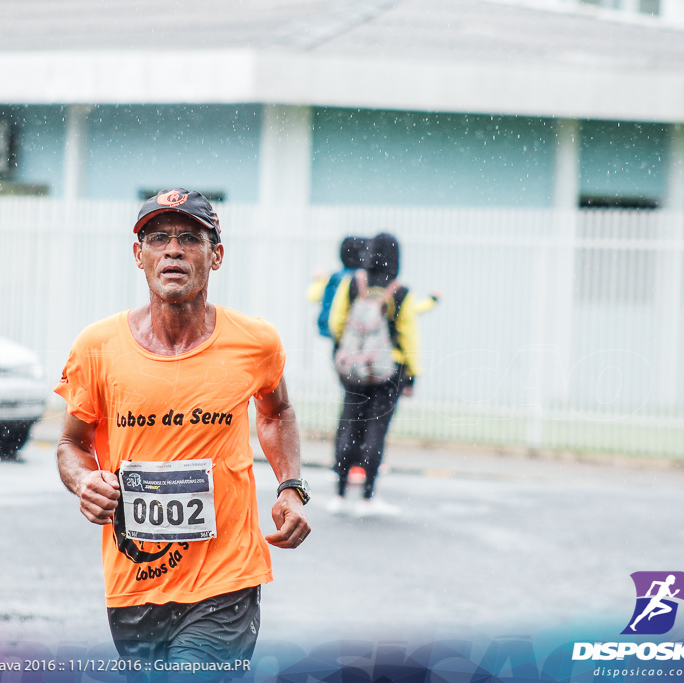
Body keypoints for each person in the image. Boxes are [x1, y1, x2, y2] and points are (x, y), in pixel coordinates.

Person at [55, 188, 311, 670]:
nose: (173, 249)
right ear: (139, 255)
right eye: (158, 238)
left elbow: (276, 413)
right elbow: (72, 443)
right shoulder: (97, 346)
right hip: (134, 582)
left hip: (226, 579)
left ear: (216, 255)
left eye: (190, 238)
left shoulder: (255, 342)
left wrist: (291, 487)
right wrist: (85, 482)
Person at [327, 232, 440, 517]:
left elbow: (336, 323)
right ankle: (367, 498)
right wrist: (413, 373)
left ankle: (340, 495)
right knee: (376, 430)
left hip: (354, 370)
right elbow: (408, 335)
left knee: (349, 425)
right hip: (390, 370)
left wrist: (352, 351)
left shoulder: (353, 284)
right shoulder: (400, 291)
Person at [306, 236, 369, 338]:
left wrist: (318, 280)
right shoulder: (363, 279)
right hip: (351, 333)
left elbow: (313, 296)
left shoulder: (335, 277)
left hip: (330, 331)